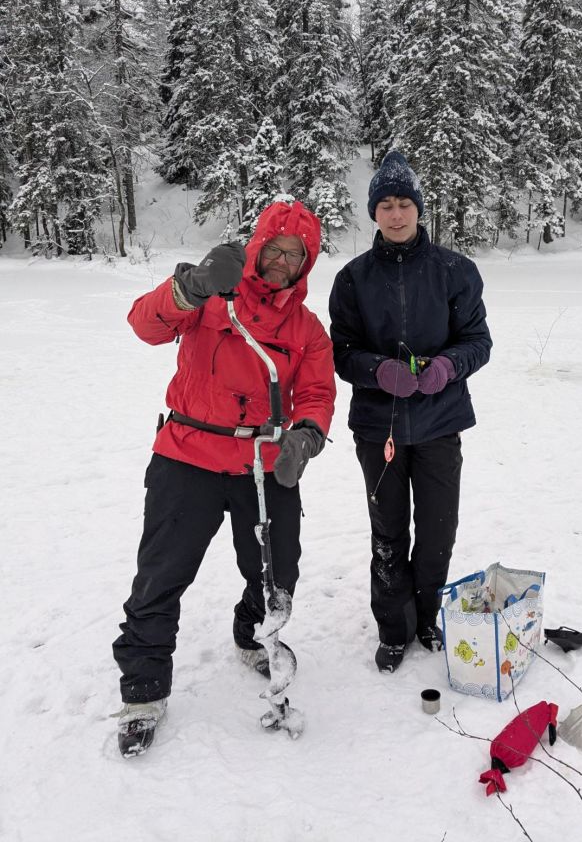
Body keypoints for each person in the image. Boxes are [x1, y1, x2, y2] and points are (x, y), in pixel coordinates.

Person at [112, 199, 335, 755]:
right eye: (277, 249)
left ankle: (252, 634)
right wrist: (190, 286)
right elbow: (145, 325)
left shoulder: (307, 328)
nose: (284, 261)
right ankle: (142, 692)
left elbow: (316, 392)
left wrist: (305, 437)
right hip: (186, 458)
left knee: (278, 571)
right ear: (258, 247)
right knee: (161, 578)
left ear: (306, 265)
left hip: (264, 464)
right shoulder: (214, 296)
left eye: (296, 255)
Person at [328, 151, 492, 673]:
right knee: (389, 529)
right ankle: (393, 629)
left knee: (439, 528)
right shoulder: (352, 278)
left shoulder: (455, 271)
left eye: (404, 204)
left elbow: (479, 341)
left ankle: (426, 617)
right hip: (380, 428)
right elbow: (342, 352)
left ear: (419, 209)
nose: (396, 214)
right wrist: (378, 370)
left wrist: (447, 366)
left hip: (441, 423)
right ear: (373, 213)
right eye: (386, 205)